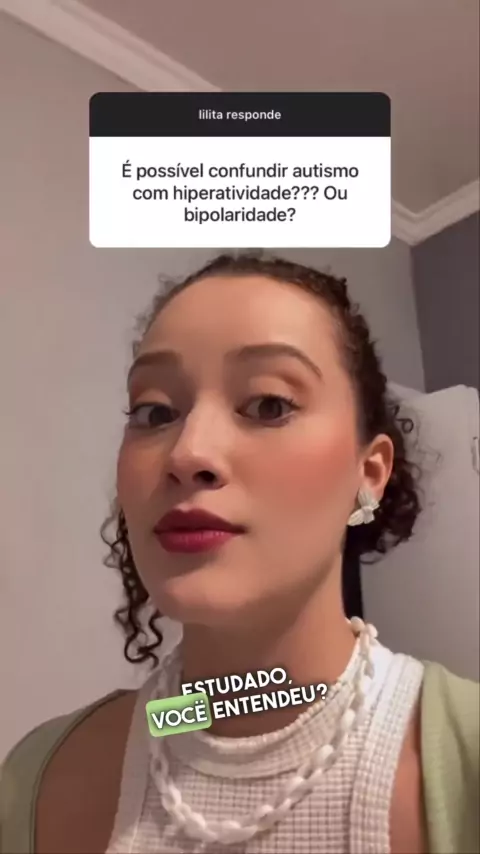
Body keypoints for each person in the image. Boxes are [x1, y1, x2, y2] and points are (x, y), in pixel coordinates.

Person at [0, 253, 478, 854]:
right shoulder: (34, 778)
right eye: (155, 411)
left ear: (370, 473)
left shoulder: (465, 756)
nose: (187, 452)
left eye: (269, 404)